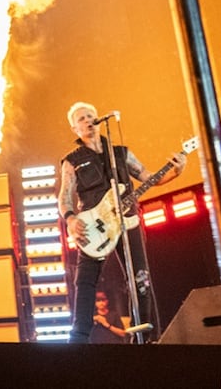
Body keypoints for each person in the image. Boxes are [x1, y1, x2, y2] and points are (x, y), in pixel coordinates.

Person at [57, 101, 186, 344]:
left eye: (91, 116)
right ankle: (78, 340)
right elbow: (64, 197)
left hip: (128, 222)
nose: (88, 121)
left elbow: (149, 178)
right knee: (85, 282)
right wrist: (71, 219)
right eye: (82, 118)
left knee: (140, 277)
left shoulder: (121, 153)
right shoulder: (72, 160)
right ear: (75, 128)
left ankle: (145, 337)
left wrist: (176, 170)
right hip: (93, 225)